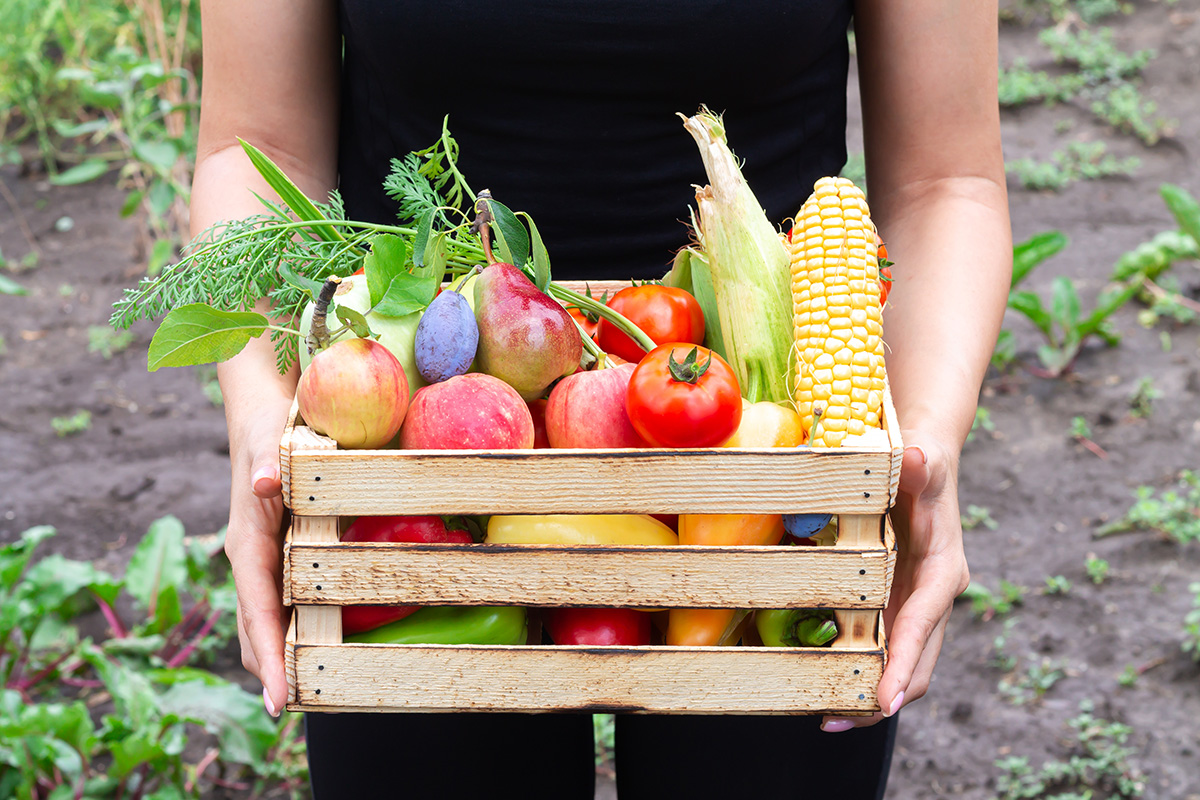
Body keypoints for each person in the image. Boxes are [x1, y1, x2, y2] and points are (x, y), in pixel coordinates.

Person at [198, 0, 1011, 796]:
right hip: (408, 471)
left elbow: (949, 178)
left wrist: (926, 437)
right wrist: (261, 426)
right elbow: (256, 145)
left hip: (773, 477)